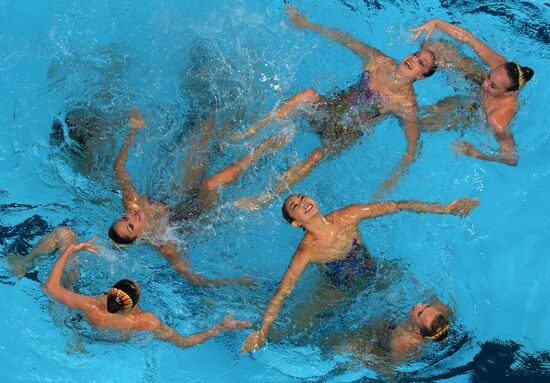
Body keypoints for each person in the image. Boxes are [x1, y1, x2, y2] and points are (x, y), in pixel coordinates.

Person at [233, 6, 438, 209]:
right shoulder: (380, 61)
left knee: (316, 156)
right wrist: (307, 24)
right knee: (309, 95)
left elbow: (412, 147)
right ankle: (252, 130)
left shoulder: (406, 103)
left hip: (345, 132)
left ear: (421, 76)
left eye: (421, 63)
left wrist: (391, 181)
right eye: (415, 54)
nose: (413, 60)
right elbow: (345, 39)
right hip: (331, 107)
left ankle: (264, 198)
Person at [241, 194, 478, 352]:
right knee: (296, 331)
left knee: (415, 292)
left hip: (377, 274)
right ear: (295, 222)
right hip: (340, 292)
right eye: (296, 206)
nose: (303, 203)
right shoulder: (307, 251)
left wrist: (445, 209)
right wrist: (263, 331)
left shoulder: (348, 215)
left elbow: (395, 206)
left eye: (303, 198)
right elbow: (283, 293)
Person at [108, 109, 281, 286]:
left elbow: (118, 168)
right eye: (131, 227)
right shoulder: (162, 242)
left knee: (204, 130)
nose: (131, 217)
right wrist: (237, 282)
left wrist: (133, 130)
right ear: (138, 237)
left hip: (178, 196)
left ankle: (239, 116)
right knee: (211, 184)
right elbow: (194, 279)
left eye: (124, 218)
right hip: (195, 214)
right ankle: (266, 147)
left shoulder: (132, 203)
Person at [42, 238, 251, 348]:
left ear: (109, 294)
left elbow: (49, 288)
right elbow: (183, 342)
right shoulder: (146, 321)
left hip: (84, 325)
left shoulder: (93, 305)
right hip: (114, 340)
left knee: (71, 266)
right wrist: (219, 328)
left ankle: (76, 341)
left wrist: (70, 250)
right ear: (134, 304)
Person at [410, 19, 534, 166]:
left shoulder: (497, 120)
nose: (484, 83)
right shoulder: (499, 65)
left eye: (492, 85)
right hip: (491, 91)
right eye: (489, 77)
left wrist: (476, 153)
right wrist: (437, 23)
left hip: (477, 111)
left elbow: (512, 158)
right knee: (435, 47)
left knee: (418, 123)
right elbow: (470, 39)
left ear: (508, 93)